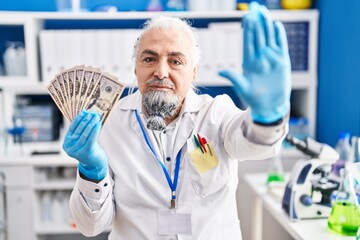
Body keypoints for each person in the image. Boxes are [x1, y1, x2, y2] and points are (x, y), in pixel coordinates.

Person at [63, 2, 291, 239]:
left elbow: (255, 145)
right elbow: (90, 226)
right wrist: (92, 171)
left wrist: (268, 117)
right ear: (136, 68)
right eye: (149, 59)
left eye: (175, 61)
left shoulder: (216, 113)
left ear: (193, 71)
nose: (161, 72)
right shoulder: (109, 123)